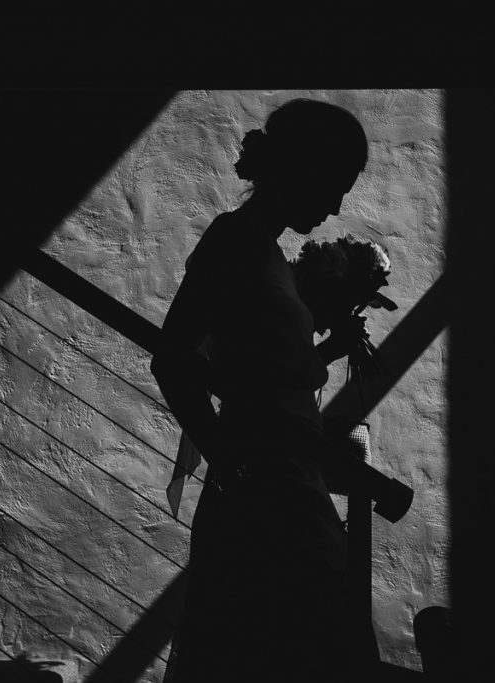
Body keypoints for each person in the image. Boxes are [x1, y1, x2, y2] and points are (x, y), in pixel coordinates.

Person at [150, 98, 379, 682]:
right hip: (263, 487)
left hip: (290, 478)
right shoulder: (235, 240)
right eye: (335, 184)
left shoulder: (270, 254)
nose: (337, 203)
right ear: (304, 171)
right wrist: (226, 458)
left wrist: (326, 350)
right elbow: (173, 359)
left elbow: (269, 371)